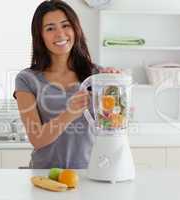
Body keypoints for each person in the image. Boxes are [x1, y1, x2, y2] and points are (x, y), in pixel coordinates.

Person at [13, 0, 119, 169]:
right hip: (45, 176)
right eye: (50, 28)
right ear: (40, 36)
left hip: (91, 173)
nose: (60, 34)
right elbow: (37, 139)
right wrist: (69, 113)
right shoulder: (26, 79)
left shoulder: (97, 75)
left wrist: (115, 87)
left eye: (65, 25)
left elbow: (112, 126)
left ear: (75, 29)